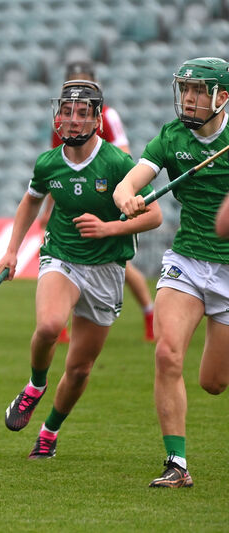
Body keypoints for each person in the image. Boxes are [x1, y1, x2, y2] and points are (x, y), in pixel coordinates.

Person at [0, 80, 162, 461]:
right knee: (49, 326)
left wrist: (111, 227)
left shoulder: (118, 163)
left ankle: (49, 432)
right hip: (62, 257)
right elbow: (30, 203)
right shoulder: (49, 162)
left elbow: (154, 216)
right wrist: (10, 251)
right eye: (66, 112)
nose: (72, 121)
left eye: (82, 113)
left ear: (97, 120)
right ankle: (35, 385)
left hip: (106, 269)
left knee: (80, 369)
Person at [114, 57, 229, 488]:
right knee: (166, 353)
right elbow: (134, 179)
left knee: (214, 383)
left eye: (199, 90)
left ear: (222, 97)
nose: (190, 98)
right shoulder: (172, 136)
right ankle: (177, 463)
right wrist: (127, 196)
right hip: (187, 261)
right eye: (185, 89)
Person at [42, 59, 155, 343]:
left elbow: (124, 153)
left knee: (121, 266)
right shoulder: (62, 120)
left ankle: (149, 312)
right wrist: (48, 207)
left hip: (107, 197)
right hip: (76, 198)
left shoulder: (107, 115)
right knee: (62, 258)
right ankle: (60, 325)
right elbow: (59, 169)